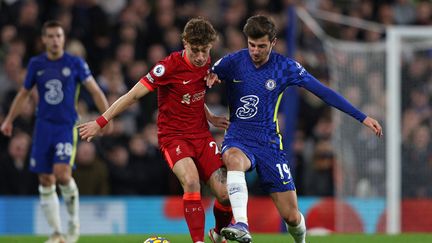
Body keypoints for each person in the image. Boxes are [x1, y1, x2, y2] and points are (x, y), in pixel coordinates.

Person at [210, 15, 383, 243]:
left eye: (261, 46)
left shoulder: (285, 67)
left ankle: (300, 241)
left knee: (291, 217)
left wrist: (362, 117)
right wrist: (209, 115)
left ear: (273, 42)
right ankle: (241, 223)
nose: (255, 50)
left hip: (269, 144)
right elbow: (195, 83)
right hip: (238, 137)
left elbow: (323, 92)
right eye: (251, 45)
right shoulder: (231, 62)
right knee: (233, 158)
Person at [78, 17, 232, 243]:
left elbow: (191, 94)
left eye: (205, 51)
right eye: (195, 50)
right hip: (174, 138)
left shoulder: (208, 64)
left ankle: (218, 234)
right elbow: (131, 96)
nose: (200, 57)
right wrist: (100, 121)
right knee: (191, 182)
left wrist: (209, 116)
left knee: (226, 194)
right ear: (185, 43)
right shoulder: (167, 67)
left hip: (201, 135)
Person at [0, 20, 110, 243]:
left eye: (58, 36)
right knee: (45, 180)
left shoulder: (75, 63)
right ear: (43, 39)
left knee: (62, 174)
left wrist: (105, 116)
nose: (54, 40)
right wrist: (9, 119)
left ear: (63, 38)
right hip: (42, 127)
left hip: (65, 127)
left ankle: (73, 224)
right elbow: (23, 93)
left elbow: (95, 90)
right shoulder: (36, 64)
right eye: (50, 36)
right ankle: (57, 233)